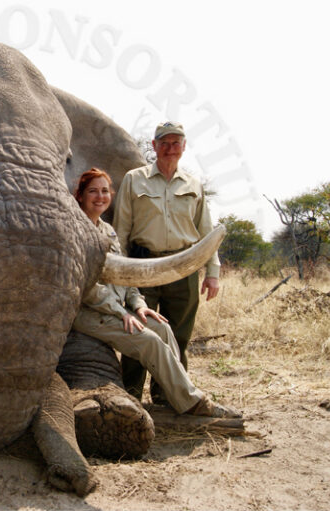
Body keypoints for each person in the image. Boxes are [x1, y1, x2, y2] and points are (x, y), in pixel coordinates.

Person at [72, 168, 240, 418]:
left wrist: (138, 305)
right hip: (90, 313)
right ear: (81, 196)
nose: (100, 197)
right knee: (149, 341)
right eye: (93, 191)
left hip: (117, 309)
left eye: (105, 191)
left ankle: (173, 398)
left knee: (164, 329)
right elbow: (87, 288)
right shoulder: (75, 230)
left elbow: (124, 275)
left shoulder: (107, 230)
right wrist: (121, 313)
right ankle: (195, 405)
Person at [113, 121, 220, 403]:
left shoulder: (193, 184)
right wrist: (121, 277)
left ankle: (168, 397)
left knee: (179, 336)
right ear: (154, 146)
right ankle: (130, 397)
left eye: (176, 143)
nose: (170, 148)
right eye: (164, 143)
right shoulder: (134, 179)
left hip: (182, 268)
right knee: (138, 332)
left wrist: (213, 272)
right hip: (142, 267)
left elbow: (206, 232)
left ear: (184, 147)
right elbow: (121, 229)